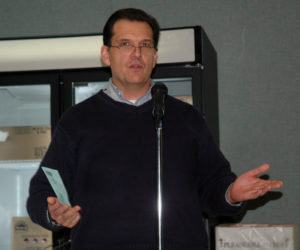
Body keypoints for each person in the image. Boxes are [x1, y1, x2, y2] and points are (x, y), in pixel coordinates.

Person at [26, 8, 283, 250]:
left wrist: (232, 193)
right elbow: (42, 190)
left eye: (145, 45)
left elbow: (213, 186)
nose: (136, 53)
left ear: (155, 56)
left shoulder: (186, 118)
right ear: (106, 54)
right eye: (125, 44)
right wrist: (52, 213)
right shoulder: (78, 120)